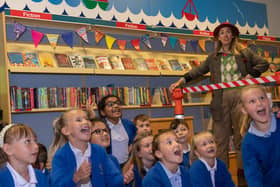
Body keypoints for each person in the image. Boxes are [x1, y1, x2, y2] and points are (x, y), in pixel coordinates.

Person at [169, 22, 269, 167]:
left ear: (233, 35)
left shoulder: (244, 53)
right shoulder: (213, 57)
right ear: (218, 38)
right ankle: (222, 176)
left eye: (228, 32)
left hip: (241, 98)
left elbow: (263, 64)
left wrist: (251, 74)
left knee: (241, 137)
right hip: (220, 100)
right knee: (220, 140)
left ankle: (246, 174)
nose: (225, 35)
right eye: (222, 33)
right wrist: (182, 81)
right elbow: (198, 71)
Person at [50, 108, 124, 187]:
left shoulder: (99, 151)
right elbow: (57, 184)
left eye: (87, 119)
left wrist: (123, 179)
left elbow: (113, 177)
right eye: (79, 120)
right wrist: (76, 177)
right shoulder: (61, 156)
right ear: (66, 131)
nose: (86, 122)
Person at [240, 84, 280, 186]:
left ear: (269, 101)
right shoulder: (248, 144)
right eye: (252, 101)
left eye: (262, 98)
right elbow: (253, 177)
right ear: (244, 110)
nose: (259, 103)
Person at [90, 118, 134, 185]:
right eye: (98, 131)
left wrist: (125, 181)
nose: (105, 134)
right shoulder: (88, 161)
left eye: (105, 130)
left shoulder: (113, 159)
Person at [97, 95, 137, 166]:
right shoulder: (101, 127)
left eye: (118, 103)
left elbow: (134, 142)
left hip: (127, 165)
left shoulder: (129, 124)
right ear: (103, 112)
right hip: (108, 166)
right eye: (110, 104)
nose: (116, 106)